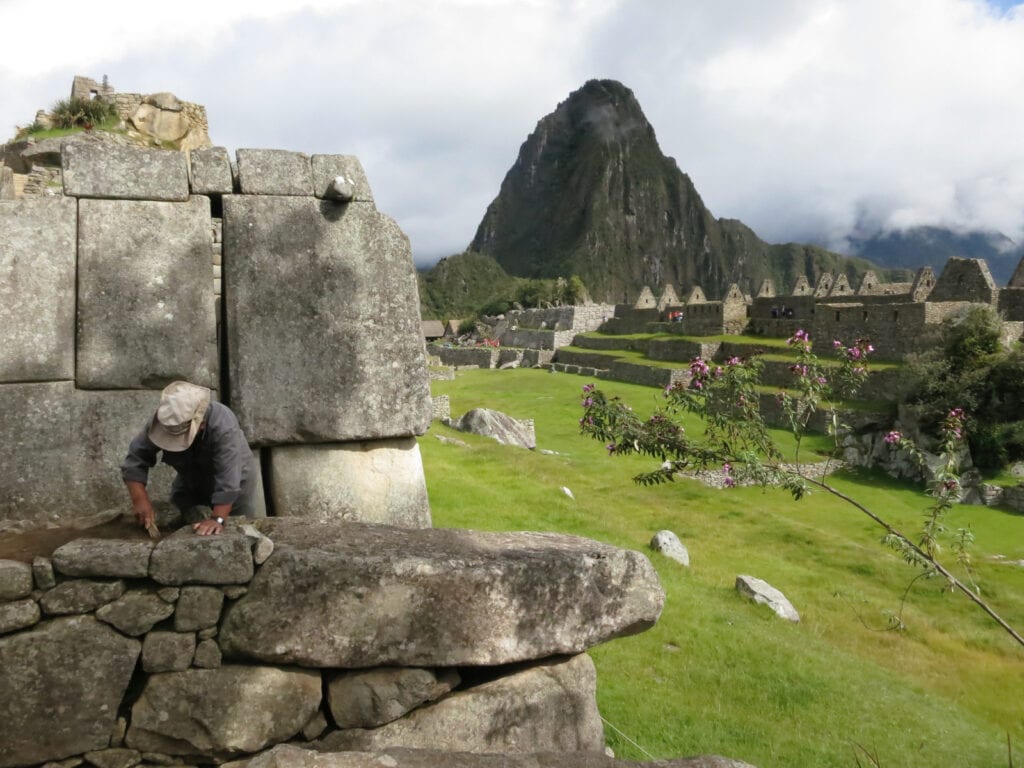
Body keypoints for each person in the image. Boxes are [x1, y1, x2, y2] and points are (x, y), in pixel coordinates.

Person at [121, 381, 257, 536]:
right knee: (178, 519)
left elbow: (229, 477)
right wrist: (139, 500)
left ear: (201, 425)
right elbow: (135, 458)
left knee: (236, 530)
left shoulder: (223, 424)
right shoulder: (164, 420)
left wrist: (218, 519)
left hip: (236, 481)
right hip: (189, 478)